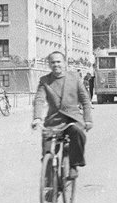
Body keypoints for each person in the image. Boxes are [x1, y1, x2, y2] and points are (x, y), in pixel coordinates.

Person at [31, 51, 93, 180]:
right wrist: (37, 118)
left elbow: (85, 100)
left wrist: (87, 120)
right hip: (54, 120)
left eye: (58, 62)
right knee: (47, 149)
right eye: (52, 62)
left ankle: (73, 165)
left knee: (77, 132)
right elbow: (39, 100)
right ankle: (49, 181)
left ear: (64, 63)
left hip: (72, 119)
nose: (56, 65)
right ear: (49, 64)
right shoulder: (45, 81)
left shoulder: (74, 78)